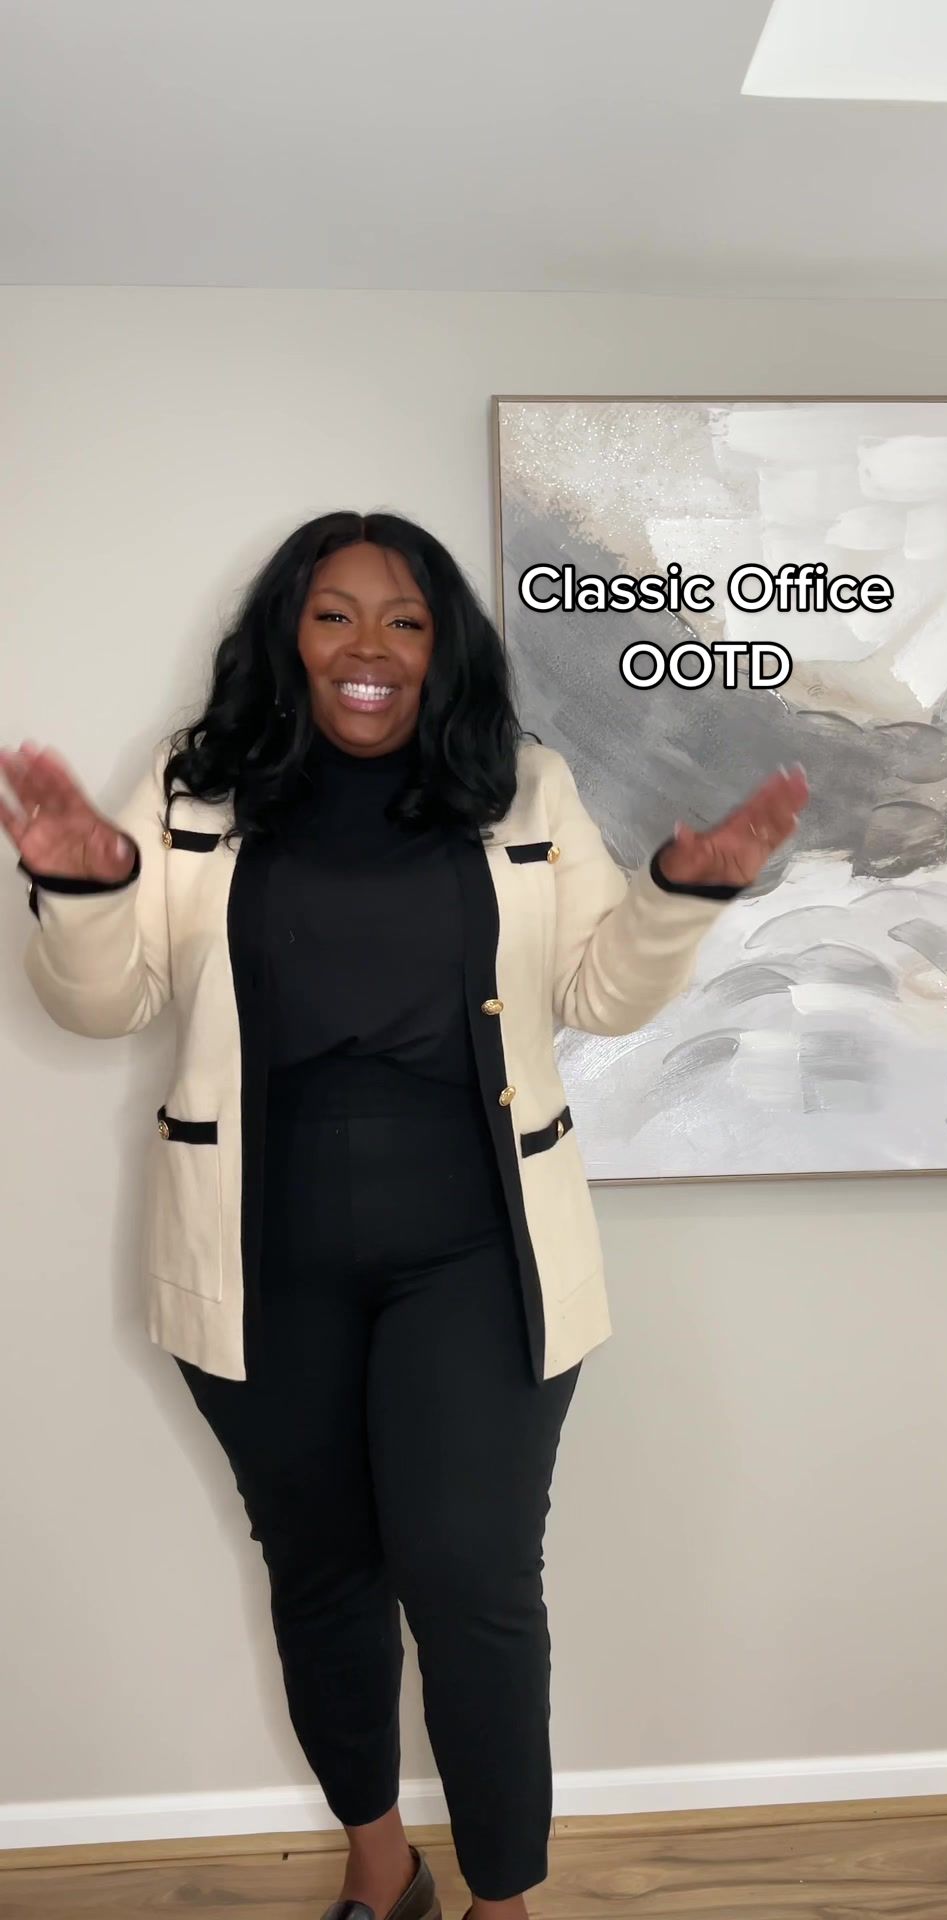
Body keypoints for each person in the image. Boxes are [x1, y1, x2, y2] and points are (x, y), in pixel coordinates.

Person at [1, 511, 808, 1920]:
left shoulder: (522, 785)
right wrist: (83, 888)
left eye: (405, 620)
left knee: (470, 1579)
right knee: (322, 1575)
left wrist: (677, 900)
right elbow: (105, 1003)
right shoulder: (197, 785)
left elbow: (600, 992)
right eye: (335, 614)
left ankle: (505, 1902)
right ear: (288, 634)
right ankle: (383, 1866)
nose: (367, 646)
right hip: (257, 1255)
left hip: (481, 1251)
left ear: (444, 648)